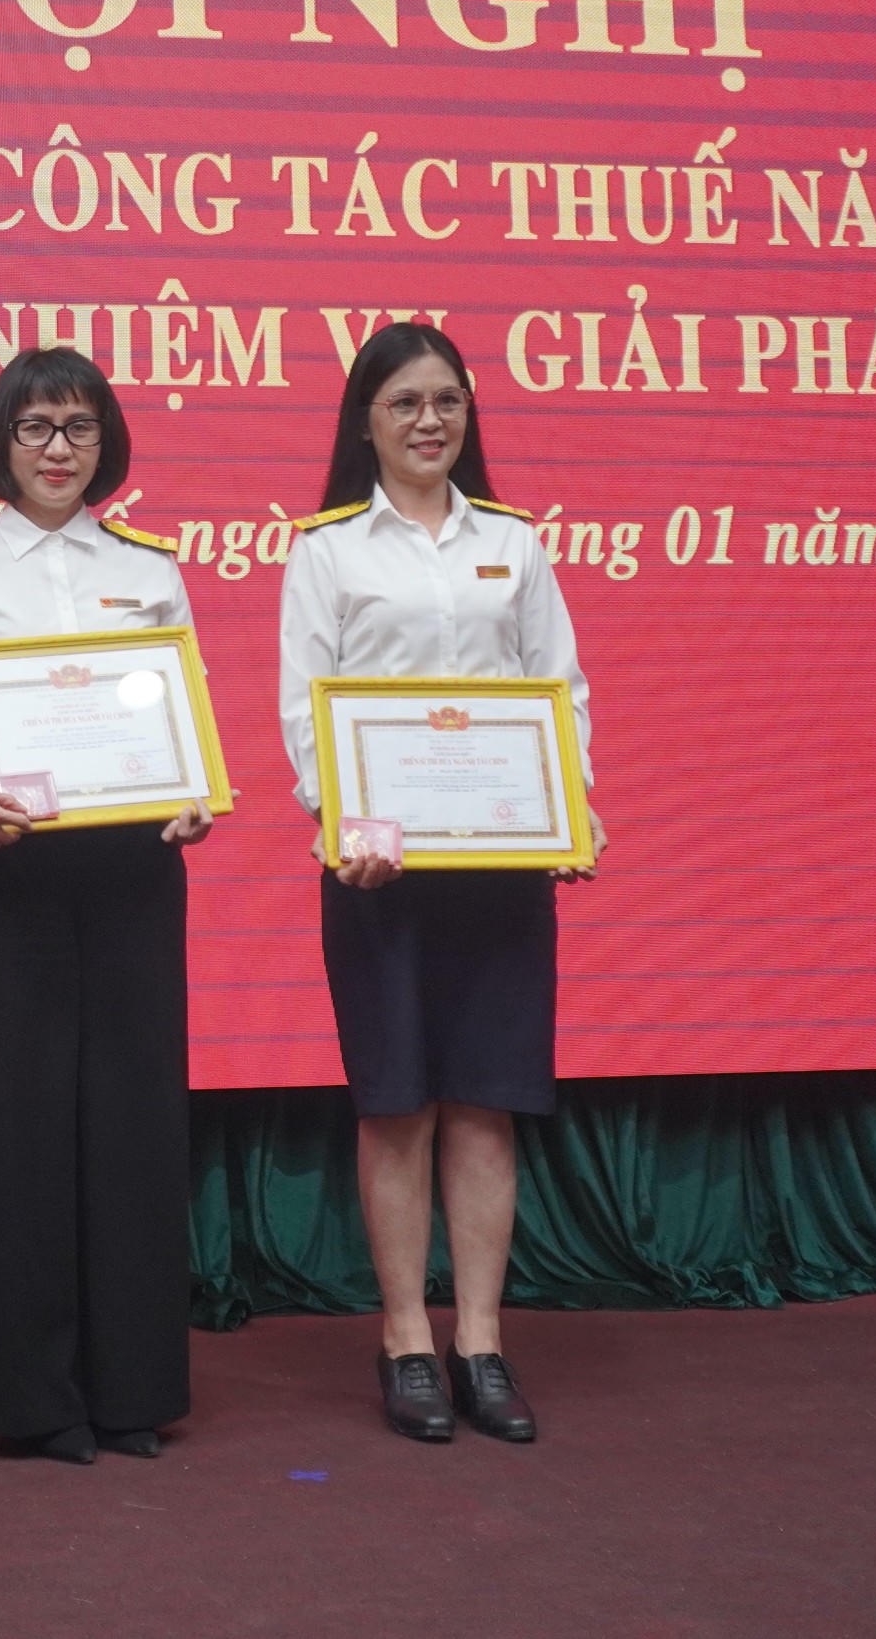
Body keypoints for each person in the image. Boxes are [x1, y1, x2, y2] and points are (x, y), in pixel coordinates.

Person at [276, 322, 603, 1446]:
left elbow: (559, 689)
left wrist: (570, 806)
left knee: (485, 1102)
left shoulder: (513, 541)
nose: (429, 421)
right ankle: (407, 1339)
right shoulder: (327, 550)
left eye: (447, 402)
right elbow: (306, 707)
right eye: (405, 403)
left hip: (502, 867)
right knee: (396, 1103)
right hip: (380, 870)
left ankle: (481, 1341)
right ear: (365, 421)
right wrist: (345, 824)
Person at [0, 347, 212, 1463]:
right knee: (12, 1124)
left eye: (78, 427)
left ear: (104, 442)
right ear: (2, 442)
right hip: (0, 869)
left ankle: (131, 1390)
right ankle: (32, 1399)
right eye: (36, 428)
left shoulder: (149, 570)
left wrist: (193, 799)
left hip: (131, 870)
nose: (58, 448)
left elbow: (183, 728)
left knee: (133, 1122)